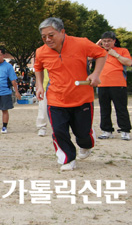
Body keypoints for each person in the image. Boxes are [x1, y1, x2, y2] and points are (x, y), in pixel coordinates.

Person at [34, 17, 107, 171]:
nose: (47, 39)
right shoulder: (41, 52)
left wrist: (95, 74)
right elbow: (38, 68)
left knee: (82, 134)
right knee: (59, 131)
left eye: (51, 35)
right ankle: (67, 159)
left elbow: (101, 54)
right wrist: (39, 86)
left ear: (62, 32)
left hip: (82, 98)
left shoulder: (81, 43)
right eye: (44, 37)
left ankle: (86, 142)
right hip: (56, 99)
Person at [96, 31, 132, 141]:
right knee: (104, 109)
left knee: (121, 108)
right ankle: (106, 131)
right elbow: (87, 56)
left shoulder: (122, 50)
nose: (106, 43)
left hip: (118, 84)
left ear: (114, 41)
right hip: (102, 84)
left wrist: (115, 54)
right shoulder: (99, 51)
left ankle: (125, 131)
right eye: (104, 41)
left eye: (109, 41)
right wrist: (98, 43)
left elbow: (129, 62)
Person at [36, 69, 49, 137]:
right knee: (43, 108)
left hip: (60, 85)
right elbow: (38, 70)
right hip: (45, 86)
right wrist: (38, 85)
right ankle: (42, 127)